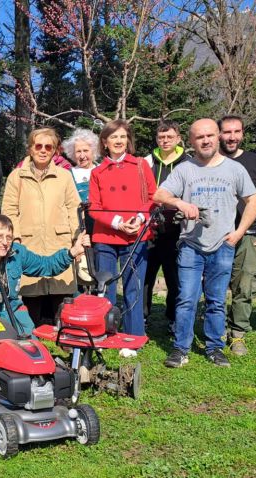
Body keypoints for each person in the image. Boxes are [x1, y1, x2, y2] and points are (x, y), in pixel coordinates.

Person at [155, 118, 256, 368]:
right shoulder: (185, 169)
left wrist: (239, 232)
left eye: (210, 135)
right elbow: (159, 194)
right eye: (200, 137)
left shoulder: (234, 169)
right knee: (186, 299)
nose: (206, 140)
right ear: (191, 141)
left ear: (218, 137)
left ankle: (214, 348)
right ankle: (180, 348)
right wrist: (181, 203)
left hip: (223, 244)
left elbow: (253, 201)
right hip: (190, 245)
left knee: (215, 300)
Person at [88, 120, 157, 356]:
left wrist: (138, 218)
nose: (118, 141)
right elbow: (94, 208)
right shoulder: (97, 172)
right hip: (106, 236)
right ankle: (106, 334)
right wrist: (117, 222)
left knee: (133, 288)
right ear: (105, 143)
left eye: (122, 136)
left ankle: (133, 337)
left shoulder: (140, 165)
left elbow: (153, 197)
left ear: (128, 140)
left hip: (136, 236)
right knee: (105, 289)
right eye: (113, 137)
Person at [1, 127, 81, 326]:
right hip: (28, 244)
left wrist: (77, 238)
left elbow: (74, 208)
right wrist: (15, 240)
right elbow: (9, 211)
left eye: (49, 146)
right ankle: (32, 343)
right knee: (31, 297)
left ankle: (66, 345)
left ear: (55, 151)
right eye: (39, 146)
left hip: (59, 242)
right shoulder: (16, 176)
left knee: (61, 299)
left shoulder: (64, 176)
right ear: (30, 149)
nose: (43, 150)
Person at [0, 215, 90, 335]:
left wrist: (72, 252)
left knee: (34, 351)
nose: (5, 242)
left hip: (15, 314)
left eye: (9, 237)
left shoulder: (18, 252)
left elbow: (46, 265)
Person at [218, 115, 256, 356]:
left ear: (242, 133)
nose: (232, 137)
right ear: (219, 134)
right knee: (216, 285)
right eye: (227, 132)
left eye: (236, 132)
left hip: (250, 234)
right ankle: (216, 329)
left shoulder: (255, 161)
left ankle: (238, 333)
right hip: (217, 235)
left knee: (245, 285)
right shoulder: (209, 161)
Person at [142, 120, 190, 322]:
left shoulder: (188, 163)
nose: (165, 141)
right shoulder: (146, 161)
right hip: (149, 229)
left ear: (178, 138)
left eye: (170, 137)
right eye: (161, 137)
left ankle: (172, 318)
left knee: (174, 277)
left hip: (176, 229)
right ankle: (142, 317)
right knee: (146, 276)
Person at [62, 128, 99, 203]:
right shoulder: (68, 174)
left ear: (93, 151)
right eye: (78, 151)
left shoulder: (102, 170)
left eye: (85, 151)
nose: (82, 156)